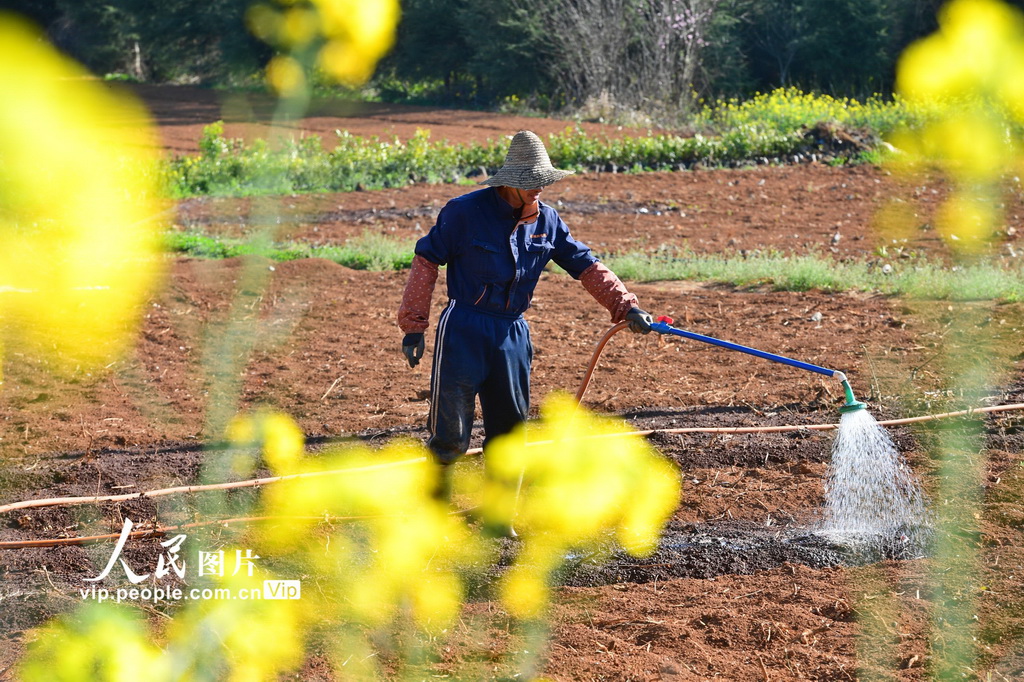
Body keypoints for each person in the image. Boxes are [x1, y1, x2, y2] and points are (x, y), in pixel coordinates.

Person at [397, 130, 653, 496]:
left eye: (542, 182)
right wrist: (414, 326)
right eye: (530, 182)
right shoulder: (464, 213)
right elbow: (426, 260)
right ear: (509, 183)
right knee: (450, 430)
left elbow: (586, 266)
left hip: (512, 335)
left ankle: (500, 517)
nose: (538, 189)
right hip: (464, 328)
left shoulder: (547, 222)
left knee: (511, 431)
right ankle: (433, 509)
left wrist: (626, 306)